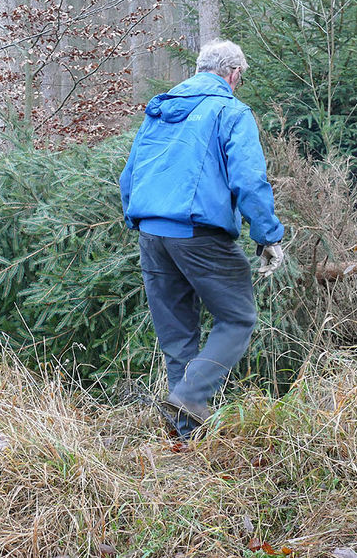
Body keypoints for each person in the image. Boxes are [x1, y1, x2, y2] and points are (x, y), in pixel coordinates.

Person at [119, 39, 285, 439]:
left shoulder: (159, 112)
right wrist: (267, 237)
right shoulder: (230, 110)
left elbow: (130, 175)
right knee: (238, 317)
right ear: (233, 74)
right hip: (198, 233)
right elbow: (249, 180)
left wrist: (140, 223)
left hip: (151, 232)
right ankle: (192, 396)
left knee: (178, 337)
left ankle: (183, 438)